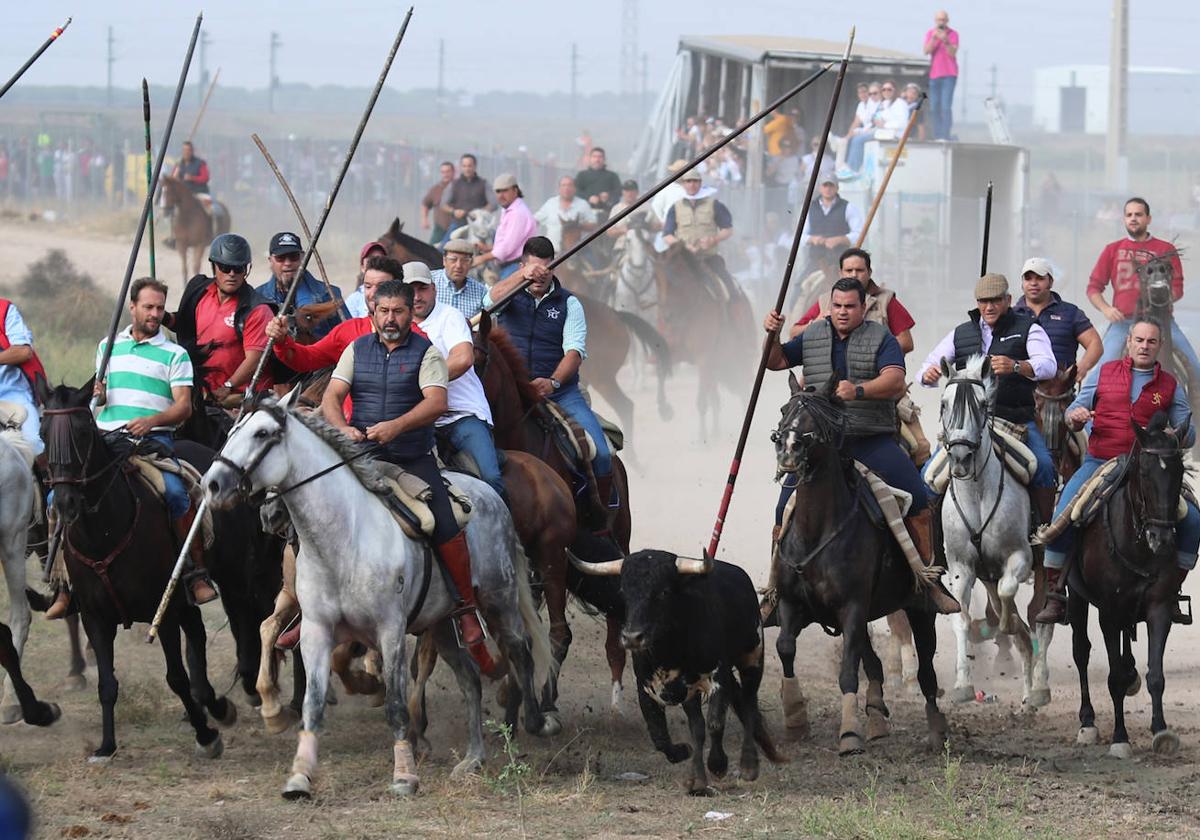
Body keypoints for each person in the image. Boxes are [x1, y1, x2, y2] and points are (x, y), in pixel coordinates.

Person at [322, 279, 496, 675]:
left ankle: (466, 609)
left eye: (398, 311)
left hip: (412, 457)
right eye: (383, 311)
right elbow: (332, 396)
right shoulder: (356, 349)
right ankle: (306, 604)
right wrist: (341, 428)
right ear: (372, 314)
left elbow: (437, 403)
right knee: (315, 511)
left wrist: (396, 427)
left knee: (445, 522)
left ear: (409, 313)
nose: (390, 319)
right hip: (362, 453)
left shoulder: (427, 354)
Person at [763, 277, 961, 614]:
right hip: (821, 447)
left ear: (862, 307)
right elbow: (776, 361)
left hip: (870, 438)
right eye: (837, 306)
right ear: (830, 307)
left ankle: (928, 581)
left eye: (849, 307)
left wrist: (858, 390)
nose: (842, 312)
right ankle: (777, 590)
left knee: (918, 499)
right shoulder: (812, 334)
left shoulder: (881, 338)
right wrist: (773, 335)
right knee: (783, 508)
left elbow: (896, 379)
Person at [46, 277, 214, 619]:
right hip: (107, 442)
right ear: (133, 307)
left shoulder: (175, 354)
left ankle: (194, 573)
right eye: (149, 307)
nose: (155, 314)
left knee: (176, 492)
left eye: (160, 308)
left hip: (152, 443)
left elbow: (184, 407)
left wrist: (152, 421)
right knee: (55, 499)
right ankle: (63, 584)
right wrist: (100, 394)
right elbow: (102, 396)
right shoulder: (108, 346)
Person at [1035, 318, 1198, 625]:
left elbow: (1187, 431)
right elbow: (1073, 413)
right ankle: (1057, 595)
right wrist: (1077, 416)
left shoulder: (1169, 385)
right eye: (1139, 340)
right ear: (1129, 342)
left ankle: (1172, 591)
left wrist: (1177, 435)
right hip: (1100, 461)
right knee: (1062, 518)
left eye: (1151, 341)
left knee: (1192, 519)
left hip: (1149, 468)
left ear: (1159, 346)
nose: (1144, 346)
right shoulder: (1104, 373)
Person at [484, 237, 615, 522]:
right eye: (534, 269)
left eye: (546, 268)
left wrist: (553, 381)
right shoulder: (508, 295)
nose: (540, 275)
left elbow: (574, 351)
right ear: (522, 266)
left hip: (559, 392)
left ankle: (600, 519)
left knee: (601, 454)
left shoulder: (570, 304)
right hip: (514, 393)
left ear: (554, 268)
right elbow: (487, 301)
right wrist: (521, 276)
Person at [919, 273, 1059, 525]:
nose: (989, 307)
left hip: (1014, 421)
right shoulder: (961, 333)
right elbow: (927, 366)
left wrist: (1017, 366)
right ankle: (935, 548)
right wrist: (928, 374)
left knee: (1044, 467)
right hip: (966, 426)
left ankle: (1043, 536)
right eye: (983, 301)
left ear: (1008, 299)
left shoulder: (1028, 328)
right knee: (928, 476)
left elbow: (1048, 366)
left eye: (995, 300)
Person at [405, 262, 505, 503]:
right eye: (410, 290)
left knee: (490, 478)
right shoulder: (396, 323)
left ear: (434, 290)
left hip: (460, 414)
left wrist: (418, 384)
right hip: (415, 419)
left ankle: (509, 536)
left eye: (423, 289)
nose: (417, 297)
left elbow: (462, 359)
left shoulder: (449, 317)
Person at [1086, 197, 1198, 384]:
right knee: (1100, 372)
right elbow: (1093, 288)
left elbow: (1178, 287)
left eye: (1138, 214)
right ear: (1123, 219)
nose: (1133, 218)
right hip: (1124, 323)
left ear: (1148, 219)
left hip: (1162, 321)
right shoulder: (1112, 250)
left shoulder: (1165, 249)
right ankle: (1087, 411)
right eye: (1129, 215)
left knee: (1195, 367)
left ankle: (1195, 411)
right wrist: (1106, 309)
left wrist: (1164, 298)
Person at [165, 233, 275, 401]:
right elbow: (184, 323)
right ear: (214, 266)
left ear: (246, 269)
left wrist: (228, 387)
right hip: (202, 390)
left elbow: (255, 360)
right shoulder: (199, 291)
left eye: (239, 268)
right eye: (225, 267)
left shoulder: (257, 309)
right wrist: (162, 317)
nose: (232, 274)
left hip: (241, 396)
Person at [267, 254, 404, 373]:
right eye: (368, 286)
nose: (372, 294)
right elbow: (306, 358)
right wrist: (281, 341)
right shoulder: (347, 331)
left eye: (381, 287)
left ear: (399, 290)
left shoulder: (416, 339)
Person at [791, 248, 915, 352]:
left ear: (869, 272)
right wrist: (816, 323)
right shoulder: (825, 301)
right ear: (841, 273)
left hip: (875, 377)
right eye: (849, 270)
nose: (854, 274)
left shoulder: (885, 300)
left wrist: (872, 351)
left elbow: (906, 343)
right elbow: (794, 334)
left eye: (859, 270)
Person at [1013, 257, 1102, 380]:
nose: (1033, 283)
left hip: (1059, 393)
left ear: (1050, 282)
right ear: (1022, 283)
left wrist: (1081, 368)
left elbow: (1095, 343)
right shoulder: (1011, 315)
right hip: (1019, 390)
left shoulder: (1070, 312)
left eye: (1040, 278)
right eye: (1028, 278)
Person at [256, 232, 348, 340]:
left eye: (293, 257)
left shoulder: (329, 294)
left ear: (303, 258)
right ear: (270, 260)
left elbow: (348, 337)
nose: (287, 263)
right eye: (281, 258)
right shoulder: (259, 297)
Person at [662, 170, 735, 280]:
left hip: (709, 258)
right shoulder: (675, 208)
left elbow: (728, 230)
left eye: (695, 181)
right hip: (683, 260)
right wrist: (684, 247)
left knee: (728, 285)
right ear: (683, 184)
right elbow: (667, 235)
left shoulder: (714, 204)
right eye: (688, 181)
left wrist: (713, 239)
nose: (692, 185)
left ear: (700, 183)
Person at [0, 296, 47, 455]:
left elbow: (23, 351)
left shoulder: (4, 309)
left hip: (13, 395)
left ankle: (39, 480)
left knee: (33, 442)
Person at [473, 173, 536, 280]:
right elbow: (511, 243)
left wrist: (481, 258)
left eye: (505, 191)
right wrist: (489, 248)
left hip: (516, 266)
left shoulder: (517, 213)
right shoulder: (509, 210)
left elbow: (507, 248)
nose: (501, 195)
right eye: (498, 191)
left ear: (515, 191)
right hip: (509, 265)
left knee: (502, 296)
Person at [800, 175, 864, 278]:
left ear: (837, 188)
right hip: (816, 261)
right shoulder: (809, 208)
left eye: (831, 185)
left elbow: (859, 233)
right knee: (798, 287)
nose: (828, 189)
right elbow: (800, 235)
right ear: (820, 188)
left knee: (857, 288)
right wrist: (812, 239)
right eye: (825, 185)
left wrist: (840, 239)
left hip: (841, 262)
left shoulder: (848, 207)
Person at [534, 175, 597, 252]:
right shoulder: (550, 203)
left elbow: (594, 226)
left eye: (570, 185)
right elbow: (534, 221)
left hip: (578, 252)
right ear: (559, 188)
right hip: (552, 251)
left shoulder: (583, 204)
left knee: (596, 263)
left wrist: (579, 226)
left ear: (575, 189)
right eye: (564, 185)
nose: (566, 188)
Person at [923, 10, 960, 141]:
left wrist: (946, 40)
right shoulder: (930, 34)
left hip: (949, 74)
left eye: (943, 20)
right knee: (934, 107)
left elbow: (952, 53)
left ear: (947, 21)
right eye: (939, 20)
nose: (941, 22)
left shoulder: (953, 34)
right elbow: (926, 51)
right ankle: (938, 134)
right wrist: (934, 38)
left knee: (945, 106)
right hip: (935, 75)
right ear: (935, 21)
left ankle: (945, 135)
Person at [439, 153, 491, 243]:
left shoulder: (484, 183)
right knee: (443, 248)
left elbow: (493, 204)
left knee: (494, 246)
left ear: (475, 166)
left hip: (479, 225)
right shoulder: (454, 184)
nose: (467, 169)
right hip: (458, 223)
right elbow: (443, 204)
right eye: (464, 166)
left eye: (469, 166)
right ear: (461, 167)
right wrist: (454, 211)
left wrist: (480, 213)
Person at [433, 240, 488, 320]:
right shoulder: (430, 281)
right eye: (453, 260)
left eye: (465, 260)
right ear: (444, 261)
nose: (458, 266)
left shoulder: (481, 291)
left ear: (471, 263)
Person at [574, 147, 623, 221]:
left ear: (604, 159)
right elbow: (575, 191)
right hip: (585, 213)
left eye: (600, 157)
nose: (597, 159)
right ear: (590, 158)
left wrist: (608, 196)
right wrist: (588, 198)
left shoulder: (612, 176)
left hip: (606, 214)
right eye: (594, 156)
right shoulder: (582, 175)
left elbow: (619, 192)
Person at [344, 240, 387, 319]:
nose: (375, 264)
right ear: (362, 267)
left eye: (380, 260)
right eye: (370, 260)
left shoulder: (396, 295)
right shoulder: (353, 301)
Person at [421, 160, 455, 245]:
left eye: (448, 171)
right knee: (431, 250)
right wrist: (424, 219)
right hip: (440, 227)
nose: (445, 174)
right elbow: (425, 204)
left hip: (457, 228)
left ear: (453, 172)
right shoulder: (436, 189)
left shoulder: (459, 187)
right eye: (443, 172)